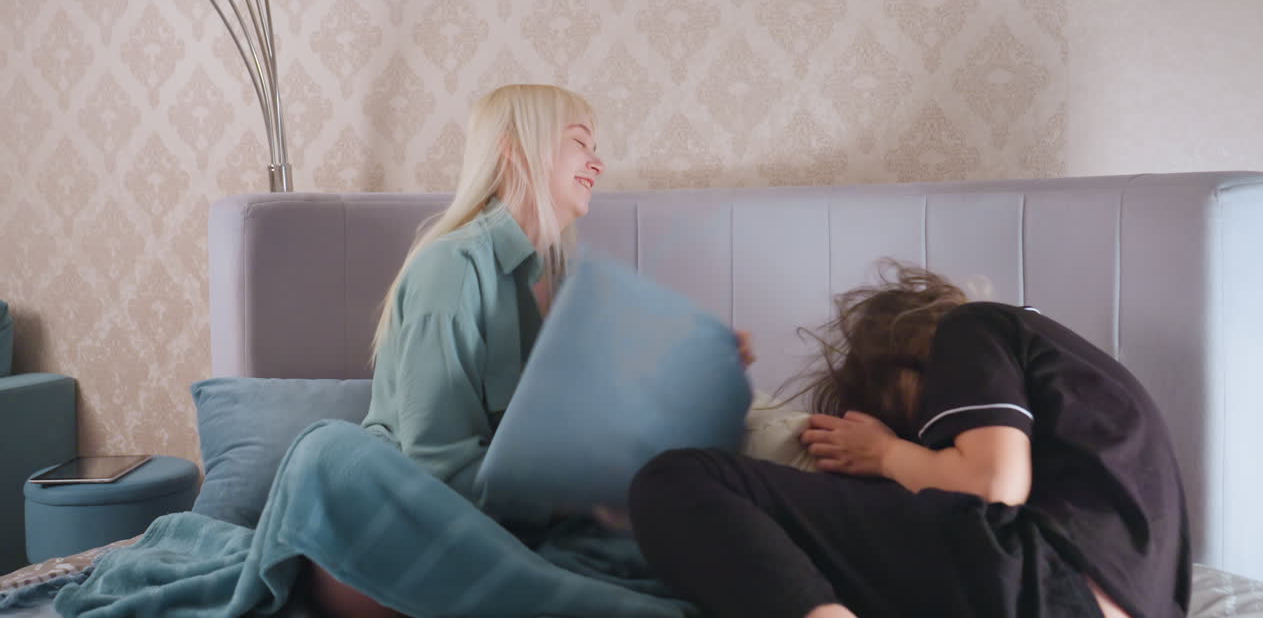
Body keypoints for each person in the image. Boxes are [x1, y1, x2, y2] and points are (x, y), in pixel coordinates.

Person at [628, 261, 1192, 618]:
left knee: (679, 479)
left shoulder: (972, 328)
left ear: (902, 357)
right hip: (1076, 593)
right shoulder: (1089, 404)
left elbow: (992, 486)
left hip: (1044, 583)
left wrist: (886, 453)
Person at [304, 84, 605, 617]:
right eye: (581, 142)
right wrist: (570, 499)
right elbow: (435, 470)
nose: (597, 163)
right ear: (515, 147)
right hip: (412, 523)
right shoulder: (452, 268)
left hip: (511, 519)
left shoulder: (562, 282)